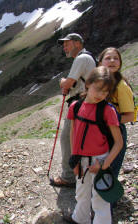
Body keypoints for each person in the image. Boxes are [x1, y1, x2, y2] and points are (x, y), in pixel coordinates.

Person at [64, 66, 123, 224]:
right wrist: (74, 159)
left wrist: (104, 164)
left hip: (100, 160)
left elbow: (119, 142)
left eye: (105, 92)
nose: (101, 95)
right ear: (88, 84)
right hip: (81, 160)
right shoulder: (75, 106)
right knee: (81, 194)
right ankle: (80, 219)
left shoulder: (108, 110)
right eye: (98, 89)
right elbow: (73, 134)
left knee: (100, 200)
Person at [50, 33, 96, 187]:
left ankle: (68, 177)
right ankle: (82, 171)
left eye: (67, 44)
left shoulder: (81, 58)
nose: (64, 47)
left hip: (81, 105)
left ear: (77, 43)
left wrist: (62, 82)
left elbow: (68, 83)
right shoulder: (87, 58)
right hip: (88, 103)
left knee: (66, 139)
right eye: (63, 45)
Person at [98, 47, 135, 178]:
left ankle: (108, 197)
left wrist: (108, 121)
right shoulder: (100, 83)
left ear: (120, 63)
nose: (112, 61)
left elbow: (131, 115)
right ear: (100, 62)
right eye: (108, 58)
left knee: (109, 170)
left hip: (115, 133)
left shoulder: (121, 86)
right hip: (101, 131)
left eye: (116, 58)